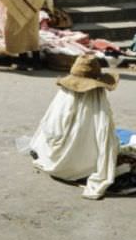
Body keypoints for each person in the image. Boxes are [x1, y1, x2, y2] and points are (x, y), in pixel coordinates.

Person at [29, 54, 119, 200]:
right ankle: (79, 164)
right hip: (84, 166)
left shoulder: (62, 100)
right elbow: (105, 138)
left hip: (53, 160)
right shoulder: (97, 106)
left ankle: (64, 160)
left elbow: (50, 129)